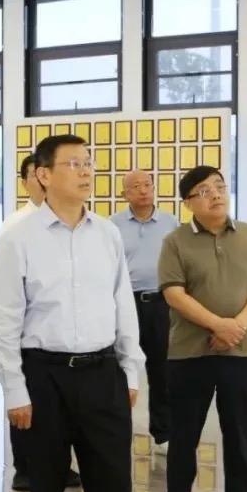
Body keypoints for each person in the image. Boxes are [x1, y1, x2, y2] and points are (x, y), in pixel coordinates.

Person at [0, 134, 170, 492]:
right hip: (44, 375)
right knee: (48, 487)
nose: (86, 171)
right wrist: (15, 389)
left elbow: (122, 304)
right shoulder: (19, 239)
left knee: (113, 484)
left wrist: (130, 368)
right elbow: (5, 322)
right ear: (44, 175)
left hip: (102, 373)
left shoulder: (106, 234)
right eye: (73, 163)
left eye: (88, 162)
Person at [156, 165, 247, 492]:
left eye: (220, 187)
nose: (216, 195)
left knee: (238, 429)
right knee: (184, 432)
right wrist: (217, 325)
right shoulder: (175, 242)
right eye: (205, 191)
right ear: (189, 202)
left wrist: (236, 327)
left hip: (241, 351)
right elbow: (174, 294)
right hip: (190, 353)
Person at [0, 154, 80, 492]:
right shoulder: (15, 225)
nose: (42, 180)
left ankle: (61, 464)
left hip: (63, 331)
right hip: (27, 330)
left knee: (61, 407)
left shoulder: (71, 221)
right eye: (34, 175)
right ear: (25, 182)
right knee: (25, 401)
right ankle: (24, 466)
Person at [110, 170, 179, 455]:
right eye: (135, 186)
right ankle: (116, 430)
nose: (142, 190)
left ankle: (163, 433)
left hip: (161, 303)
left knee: (162, 372)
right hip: (125, 304)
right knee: (120, 369)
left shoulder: (170, 223)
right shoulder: (112, 225)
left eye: (147, 184)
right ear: (125, 193)